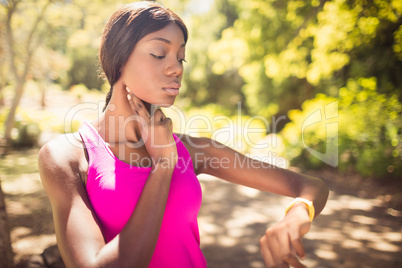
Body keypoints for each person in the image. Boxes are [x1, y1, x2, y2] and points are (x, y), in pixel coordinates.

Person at [38, 2, 329, 268]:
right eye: (158, 53)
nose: (176, 68)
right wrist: (163, 165)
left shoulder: (193, 150)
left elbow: (310, 186)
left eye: (181, 58)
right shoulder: (68, 156)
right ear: (119, 59)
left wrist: (297, 215)